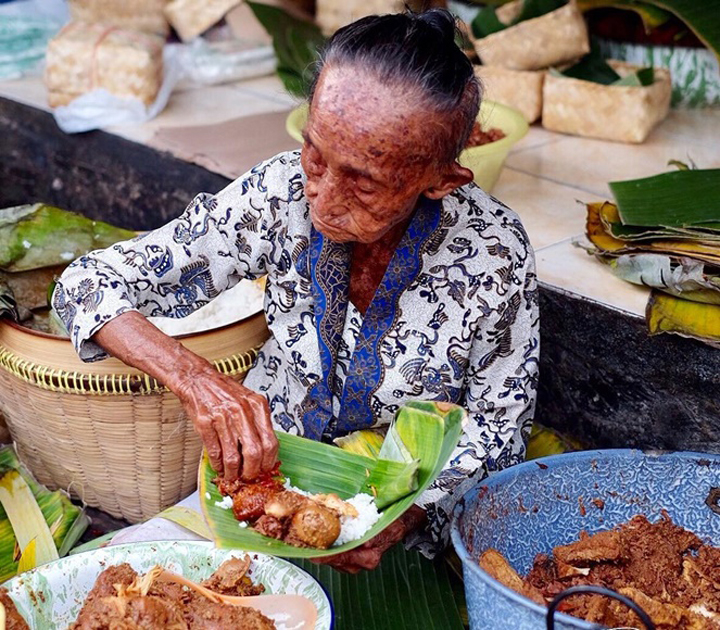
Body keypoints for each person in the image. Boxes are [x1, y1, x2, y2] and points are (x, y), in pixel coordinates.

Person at [53, 8, 539, 572]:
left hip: (404, 542)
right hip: (256, 505)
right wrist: (196, 381)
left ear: (440, 180)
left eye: (363, 181)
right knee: (112, 580)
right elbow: (87, 285)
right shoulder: (279, 194)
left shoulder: (493, 252)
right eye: (315, 154)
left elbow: (500, 430)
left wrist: (395, 520)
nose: (324, 200)